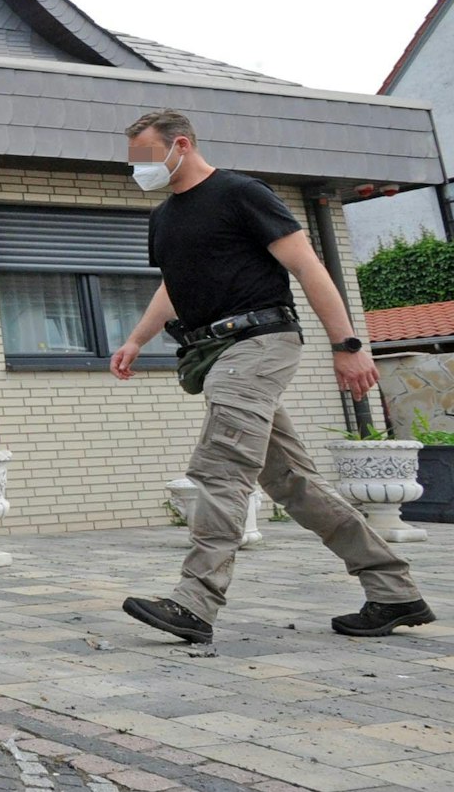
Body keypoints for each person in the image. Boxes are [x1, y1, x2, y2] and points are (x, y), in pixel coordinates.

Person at [111, 110, 433, 643]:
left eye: (144, 155)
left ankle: (195, 602)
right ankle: (393, 590)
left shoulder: (240, 193)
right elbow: (176, 286)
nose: (138, 167)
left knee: (221, 466)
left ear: (181, 145)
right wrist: (136, 338)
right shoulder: (163, 217)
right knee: (292, 482)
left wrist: (347, 345)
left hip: (260, 342)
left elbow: (307, 266)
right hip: (217, 351)